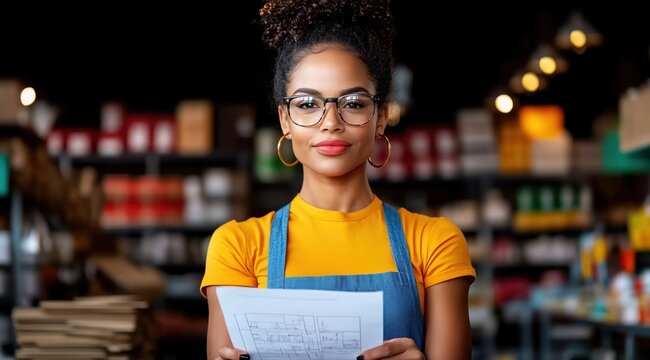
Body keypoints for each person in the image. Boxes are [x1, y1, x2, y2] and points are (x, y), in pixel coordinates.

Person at [201, 1, 476, 359]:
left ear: (380, 117)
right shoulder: (238, 246)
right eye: (307, 104)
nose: (330, 121)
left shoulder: (434, 242)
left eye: (353, 103)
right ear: (285, 119)